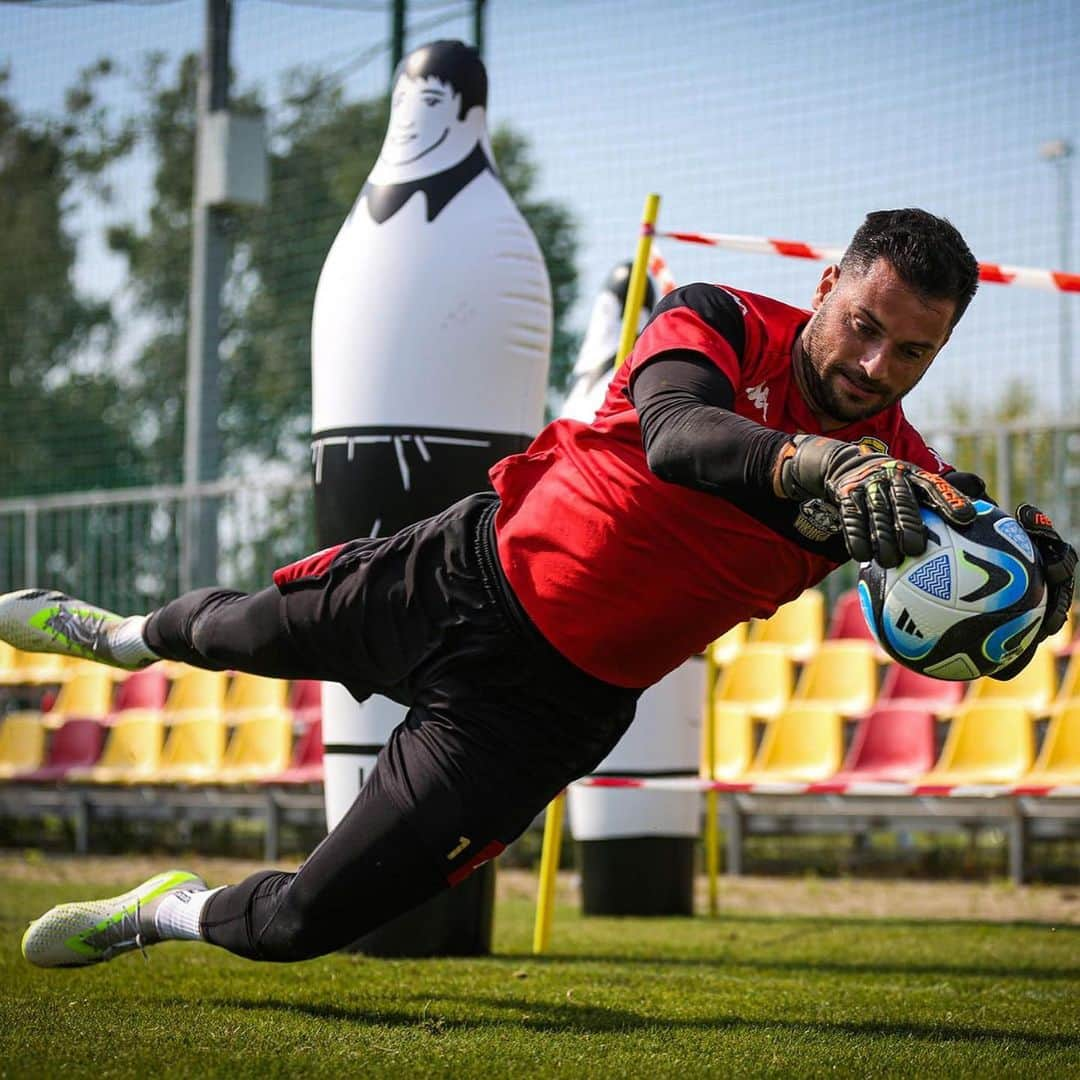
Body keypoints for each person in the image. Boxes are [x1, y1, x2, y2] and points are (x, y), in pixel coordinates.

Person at [5, 208, 1075, 968]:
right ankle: (126, 634)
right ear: (827, 286)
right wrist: (814, 463)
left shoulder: (904, 475)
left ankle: (162, 914)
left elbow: (983, 570)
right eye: (867, 327)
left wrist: (1041, 582)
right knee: (239, 629)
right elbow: (679, 436)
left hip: (546, 712)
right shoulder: (721, 318)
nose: (879, 366)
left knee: (304, 928)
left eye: (914, 353)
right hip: (466, 569)